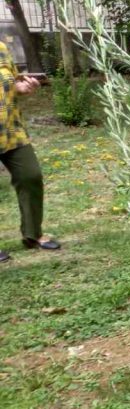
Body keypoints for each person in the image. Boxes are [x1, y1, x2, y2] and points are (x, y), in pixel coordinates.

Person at [1, 39, 61, 263]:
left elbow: (11, 82)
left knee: (30, 175)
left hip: (10, 130)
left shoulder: (1, 49)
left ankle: (32, 234)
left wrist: (22, 87)